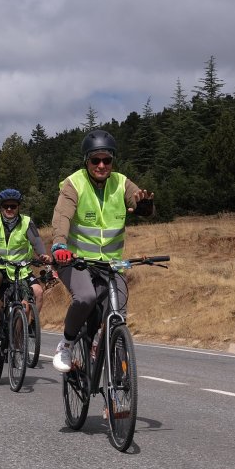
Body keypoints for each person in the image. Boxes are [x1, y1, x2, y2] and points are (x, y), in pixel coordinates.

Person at [49, 130, 154, 373]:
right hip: (76, 261)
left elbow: (137, 198)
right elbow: (62, 216)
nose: (101, 165)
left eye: (107, 160)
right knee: (85, 297)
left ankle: (102, 351)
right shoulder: (73, 184)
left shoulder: (121, 182)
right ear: (86, 161)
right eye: (95, 160)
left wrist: (145, 206)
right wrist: (59, 244)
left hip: (111, 264)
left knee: (118, 312)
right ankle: (65, 343)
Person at [0, 188, 51, 348]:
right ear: (0, 207)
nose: (10, 209)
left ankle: (26, 328)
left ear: (19, 207)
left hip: (20, 268)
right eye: (6, 206)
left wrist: (42, 255)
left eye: (13, 206)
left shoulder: (26, 222)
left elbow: (36, 241)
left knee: (37, 293)